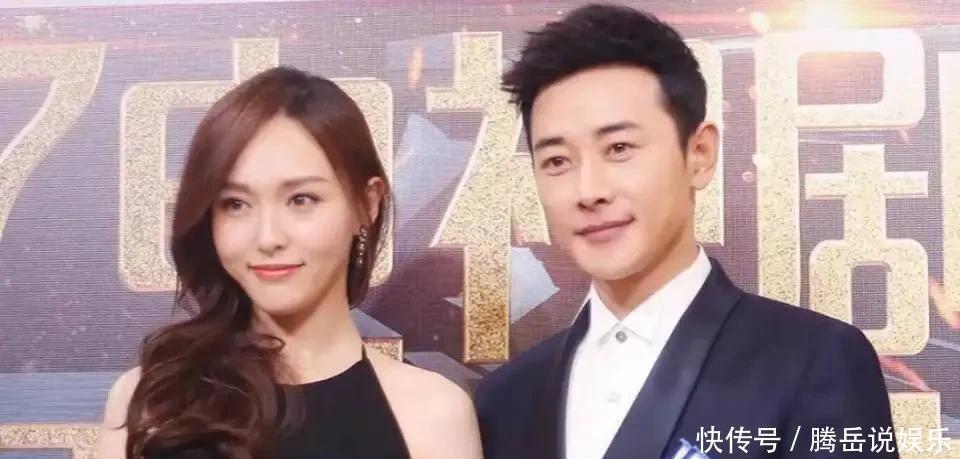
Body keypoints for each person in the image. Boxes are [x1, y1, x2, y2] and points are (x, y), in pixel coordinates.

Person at [474, 4, 897, 459]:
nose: (589, 191)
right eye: (557, 161)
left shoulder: (814, 361)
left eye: (619, 148)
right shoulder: (506, 398)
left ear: (699, 153)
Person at [96, 66, 482, 459]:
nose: (268, 238)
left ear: (367, 204)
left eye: (301, 200)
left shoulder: (431, 415)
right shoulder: (152, 404)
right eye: (235, 204)